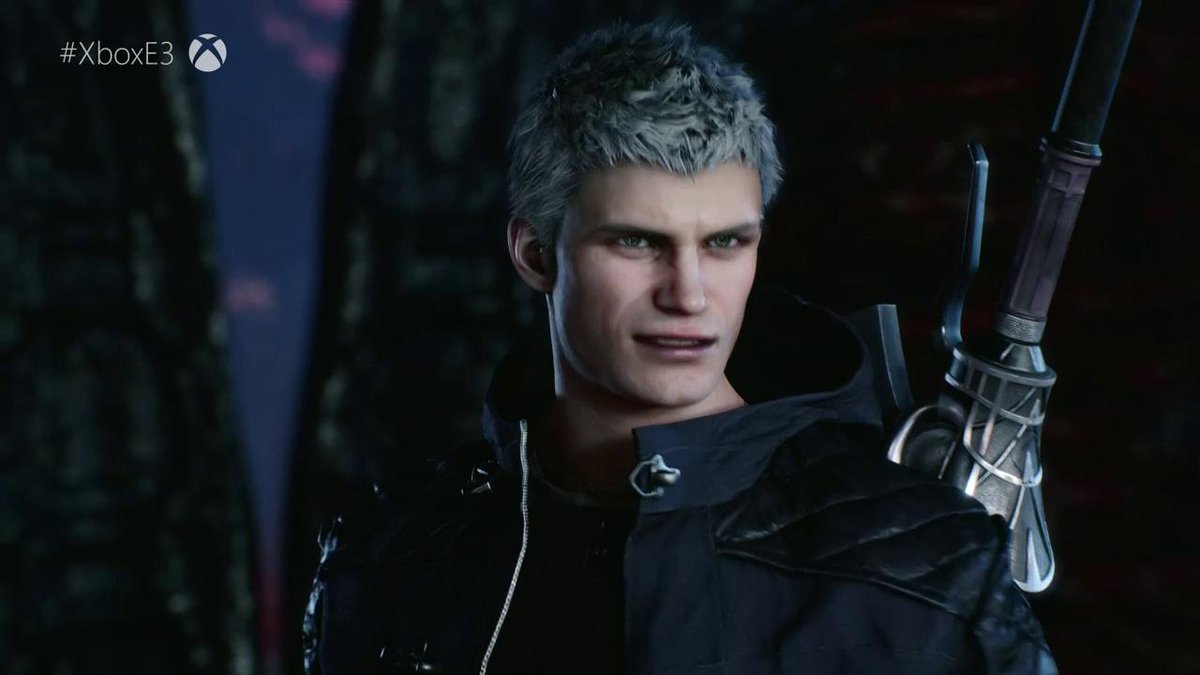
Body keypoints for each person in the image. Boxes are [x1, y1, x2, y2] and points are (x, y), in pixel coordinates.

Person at [303, 20, 1056, 674]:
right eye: (637, 241)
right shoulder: (389, 558)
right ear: (535, 255)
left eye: (725, 242)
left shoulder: (928, 569)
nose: (689, 294)